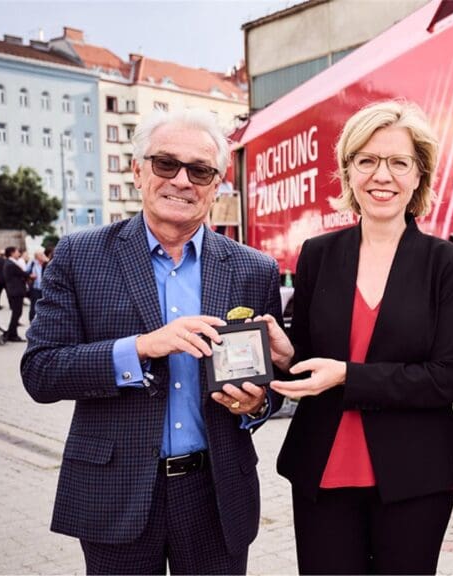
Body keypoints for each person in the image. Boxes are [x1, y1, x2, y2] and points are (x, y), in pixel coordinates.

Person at [21, 108, 284, 575]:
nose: (182, 180)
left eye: (199, 170)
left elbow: (268, 384)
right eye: (166, 164)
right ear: (138, 170)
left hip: (216, 492)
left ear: (217, 183)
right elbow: (41, 371)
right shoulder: (80, 255)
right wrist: (140, 348)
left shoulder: (253, 269)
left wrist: (256, 406)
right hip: (115, 492)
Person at [264, 100, 453, 574]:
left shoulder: (447, 265)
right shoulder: (317, 254)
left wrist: (346, 378)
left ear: (419, 175)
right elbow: (314, 358)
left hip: (415, 473)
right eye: (368, 161)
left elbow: (445, 379)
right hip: (322, 466)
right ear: (349, 172)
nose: (383, 175)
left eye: (399, 162)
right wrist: (285, 356)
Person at [2, 246, 28, 343]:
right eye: (17, 252)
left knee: (16, 313)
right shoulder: (11, 264)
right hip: (15, 291)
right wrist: (29, 276)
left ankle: (11, 333)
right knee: (16, 313)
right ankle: (12, 334)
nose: (19, 253)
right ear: (12, 253)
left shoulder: (10, 263)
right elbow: (23, 274)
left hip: (14, 291)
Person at [26, 249, 47, 322]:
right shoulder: (32, 263)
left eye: (43, 254)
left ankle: (42, 319)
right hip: (35, 287)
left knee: (44, 305)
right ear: (36, 257)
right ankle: (32, 320)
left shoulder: (46, 263)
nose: (43, 256)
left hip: (44, 288)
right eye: (41, 255)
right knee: (34, 305)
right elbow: (26, 273)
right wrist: (30, 276)